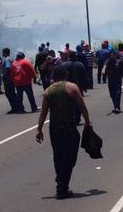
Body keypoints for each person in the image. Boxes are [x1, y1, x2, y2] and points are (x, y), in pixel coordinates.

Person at [36, 65, 92, 200]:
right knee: (70, 157)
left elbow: (43, 112)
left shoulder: (48, 91)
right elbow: (82, 105)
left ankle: (61, 183)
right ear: (66, 74)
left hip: (54, 128)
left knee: (58, 156)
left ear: (54, 76)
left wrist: (39, 129)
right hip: (69, 127)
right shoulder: (72, 87)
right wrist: (88, 123)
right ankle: (61, 186)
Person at [1, 48, 18, 114]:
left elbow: (8, 68)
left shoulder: (7, 59)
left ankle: (14, 107)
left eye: (3, 52)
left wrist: (4, 76)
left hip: (8, 79)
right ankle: (17, 106)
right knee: (12, 93)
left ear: (5, 53)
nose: (2, 54)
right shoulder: (10, 59)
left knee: (9, 93)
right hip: (11, 78)